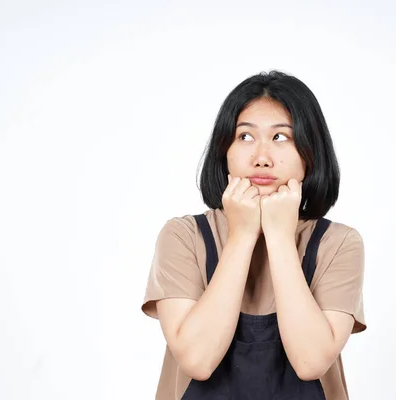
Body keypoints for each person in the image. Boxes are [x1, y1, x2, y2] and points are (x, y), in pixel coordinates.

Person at [141, 70, 366, 400]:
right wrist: (243, 234)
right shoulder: (184, 236)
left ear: (310, 154)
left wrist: (278, 235)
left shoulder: (338, 244)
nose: (261, 158)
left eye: (280, 138)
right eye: (245, 137)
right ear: (225, 151)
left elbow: (310, 362)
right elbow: (197, 360)